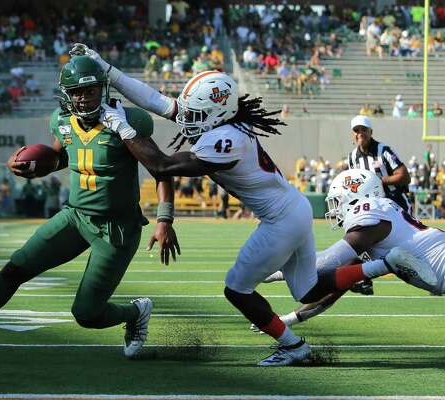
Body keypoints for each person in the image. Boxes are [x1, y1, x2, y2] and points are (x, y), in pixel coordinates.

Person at [72, 43, 431, 366]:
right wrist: (107, 71)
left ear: (216, 111)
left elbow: (161, 166)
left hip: (280, 220)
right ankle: (383, 265)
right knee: (306, 290)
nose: (187, 119)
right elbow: (158, 101)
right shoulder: (226, 121)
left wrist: (119, 124)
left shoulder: (225, 140)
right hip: (296, 208)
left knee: (236, 289)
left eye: (196, 114)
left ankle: (292, 347)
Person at [0, 56, 180, 358]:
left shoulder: (126, 121)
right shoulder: (62, 121)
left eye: (90, 91)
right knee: (15, 268)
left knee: (86, 313)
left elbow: (160, 169)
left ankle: (134, 313)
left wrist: (164, 220)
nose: (83, 99)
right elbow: (60, 158)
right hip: (75, 216)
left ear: (103, 88)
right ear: (67, 94)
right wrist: (31, 166)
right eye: (77, 92)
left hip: (116, 228)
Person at [258, 169, 442, 329]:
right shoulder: (383, 220)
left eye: (338, 201)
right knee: (330, 279)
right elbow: (333, 288)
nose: (336, 208)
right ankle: (387, 264)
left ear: (356, 194)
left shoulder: (367, 212)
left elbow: (326, 263)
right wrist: (289, 320)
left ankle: (387, 264)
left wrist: (278, 269)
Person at [347, 115, 412, 214]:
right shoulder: (352, 157)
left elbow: (405, 177)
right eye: (356, 130)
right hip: (370, 208)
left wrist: (379, 180)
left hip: (395, 203)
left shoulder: (384, 150)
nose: (360, 133)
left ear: (371, 132)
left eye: (364, 129)